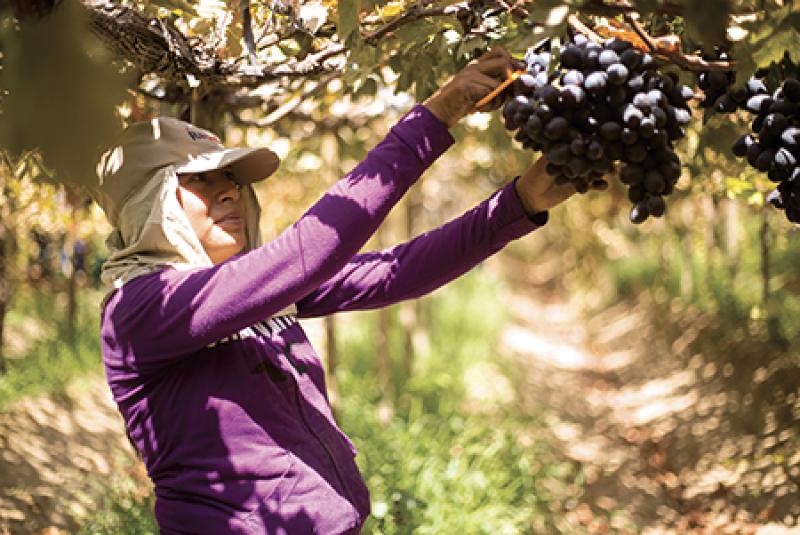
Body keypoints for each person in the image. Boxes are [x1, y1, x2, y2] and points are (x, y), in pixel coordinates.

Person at [93, 48, 580, 534]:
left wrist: (521, 202)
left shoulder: (252, 290)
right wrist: (435, 117)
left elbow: (399, 271)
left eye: (231, 178)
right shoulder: (140, 310)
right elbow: (310, 251)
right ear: (149, 206)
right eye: (200, 180)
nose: (230, 192)